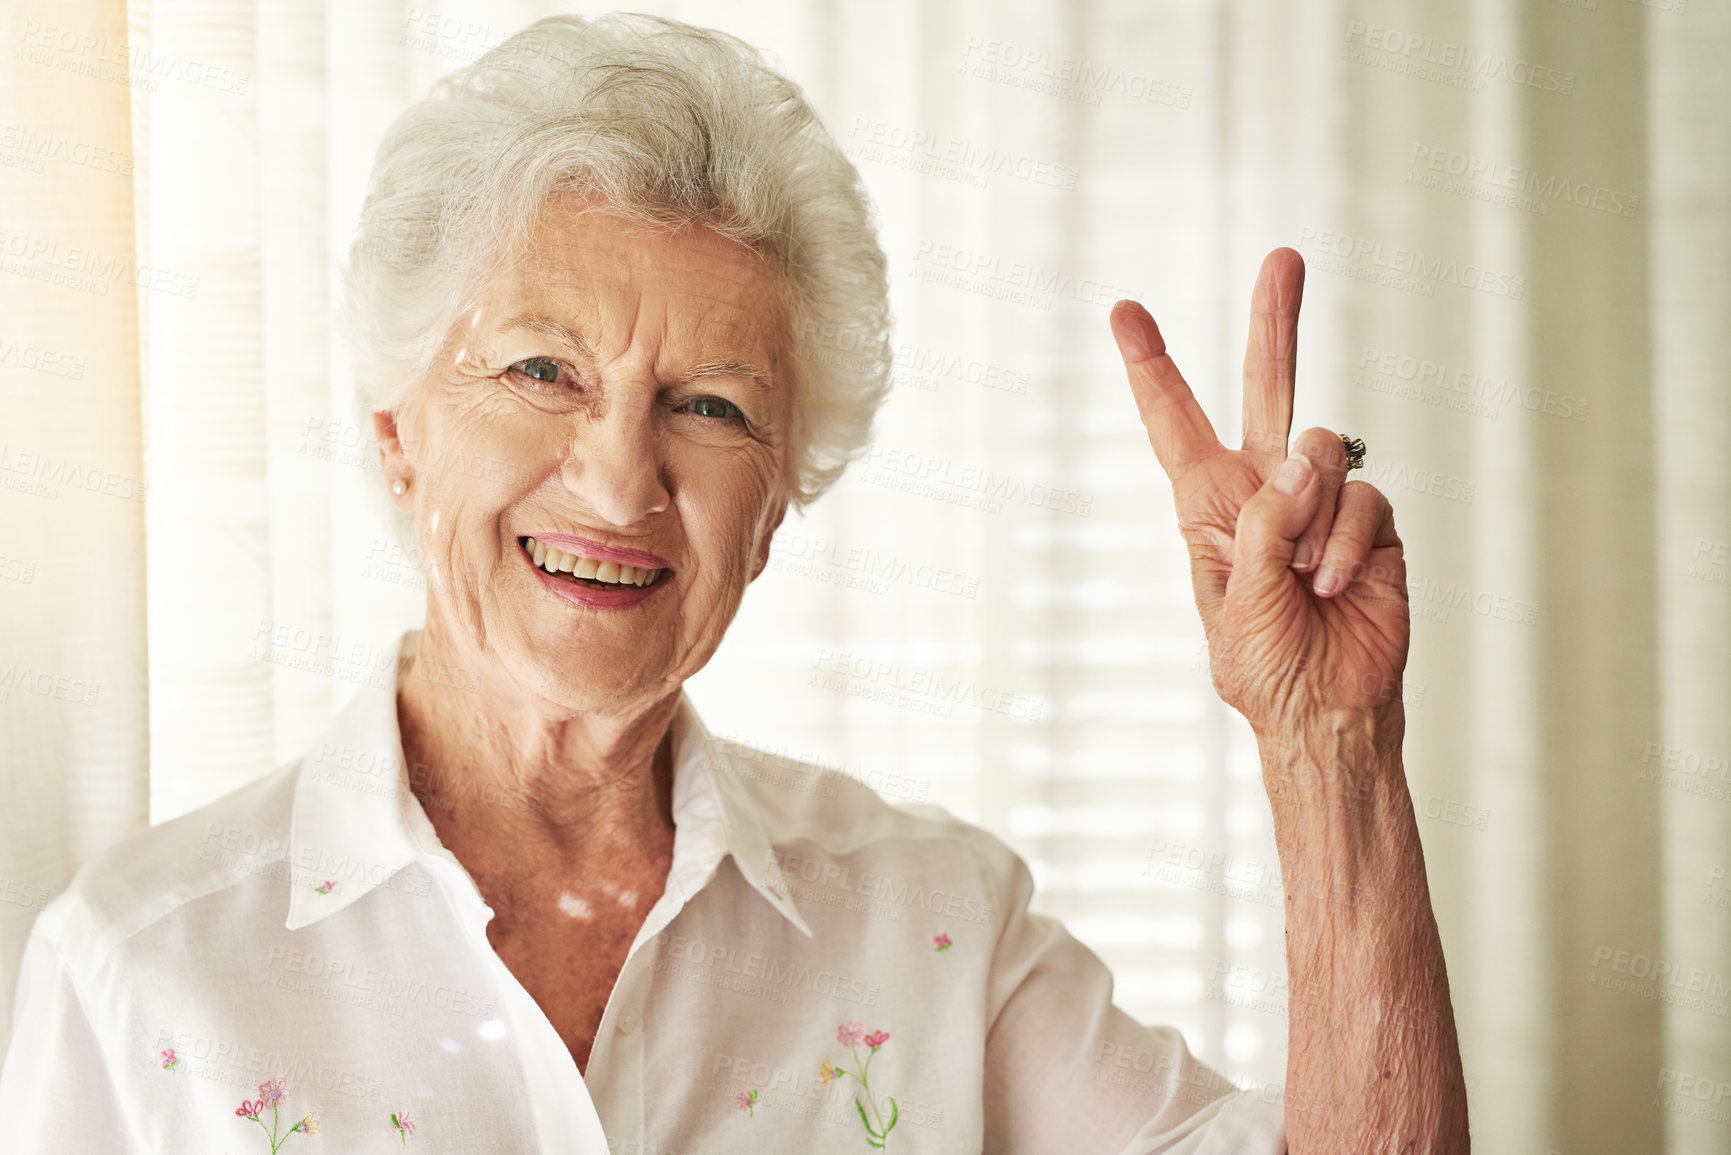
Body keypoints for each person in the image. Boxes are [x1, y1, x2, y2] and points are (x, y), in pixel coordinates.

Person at [0, 13, 1467, 1153]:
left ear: (775, 509)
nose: (623, 478)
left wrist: (1325, 745)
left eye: (712, 405)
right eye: (540, 370)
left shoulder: (931, 924)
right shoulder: (141, 966)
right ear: (398, 434)